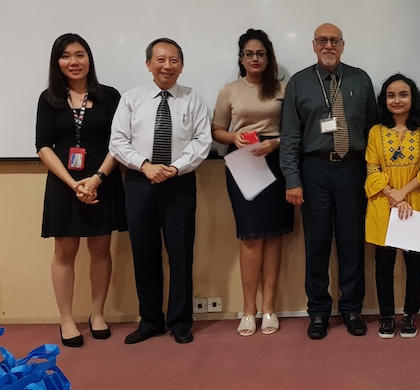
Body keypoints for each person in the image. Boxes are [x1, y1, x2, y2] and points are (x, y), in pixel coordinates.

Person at [109, 37, 212, 344]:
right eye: (160, 60)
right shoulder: (131, 98)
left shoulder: (193, 99)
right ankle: (150, 320)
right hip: (140, 182)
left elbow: (202, 141)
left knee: (181, 253)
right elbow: (118, 140)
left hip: (179, 182)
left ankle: (180, 321)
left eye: (174, 60)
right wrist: (145, 165)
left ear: (181, 65)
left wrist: (175, 167)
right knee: (145, 253)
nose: (167, 66)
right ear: (148, 65)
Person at [280, 23, 377, 340]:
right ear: (313, 45)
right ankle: (319, 312)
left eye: (334, 40)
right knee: (317, 243)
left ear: (343, 45)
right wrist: (293, 179)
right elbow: (291, 137)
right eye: (322, 40)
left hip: (352, 170)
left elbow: (374, 131)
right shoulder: (299, 83)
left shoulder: (360, 79)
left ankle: (351, 310)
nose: (328, 45)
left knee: (352, 244)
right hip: (315, 171)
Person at [35, 33, 126, 348]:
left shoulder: (109, 96)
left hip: (103, 180)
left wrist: (97, 178)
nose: (73, 62)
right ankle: (67, 319)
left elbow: (119, 142)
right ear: (57, 62)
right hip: (64, 185)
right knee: (64, 253)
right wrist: (73, 183)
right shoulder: (49, 98)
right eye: (65, 56)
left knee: (101, 250)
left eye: (80, 54)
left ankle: (98, 314)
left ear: (89, 58)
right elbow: (43, 146)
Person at [212, 29, 294, 337]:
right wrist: (233, 137)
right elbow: (217, 129)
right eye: (249, 54)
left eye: (261, 53)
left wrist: (275, 145)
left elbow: (295, 133)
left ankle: (269, 308)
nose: (255, 59)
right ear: (241, 58)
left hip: (276, 162)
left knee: (273, 237)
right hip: (243, 162)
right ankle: (249, 311)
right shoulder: (229, 90)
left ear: (269, 57)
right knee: (250, 237)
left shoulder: (284, 89)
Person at [365, 74, 420, 339]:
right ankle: (386, 316)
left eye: (403, 94)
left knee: (414, 266)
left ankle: (409, 316)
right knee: (384, 266)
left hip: (414, 205)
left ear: (412, 98)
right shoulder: (375, 132)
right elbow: (371, 167)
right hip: (384, 206)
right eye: (391, 95)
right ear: (385, 100)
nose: (397, 100)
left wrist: (403, 194)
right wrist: (393, 195)